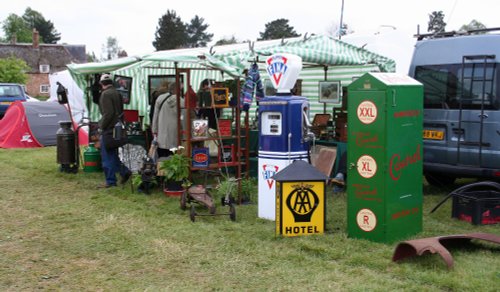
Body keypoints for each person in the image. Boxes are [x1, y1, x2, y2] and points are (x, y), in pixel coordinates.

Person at [98, 74, 131, 188]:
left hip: (109, 128)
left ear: (102, 84)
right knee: (113, 153)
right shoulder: (117, 93)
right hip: (118, 127)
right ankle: (124, 171)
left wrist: (101, 126)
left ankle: (111, 181)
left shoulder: (105, 94)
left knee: (107, 154)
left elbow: (108, 113)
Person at [152, 81, 182, 157]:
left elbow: (155, 116)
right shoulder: (181, 101)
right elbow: (182, 118)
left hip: (161, 135)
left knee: (162, 160)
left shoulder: (160, 98)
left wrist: (154, 130)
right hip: (175, 135)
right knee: (174, 159)